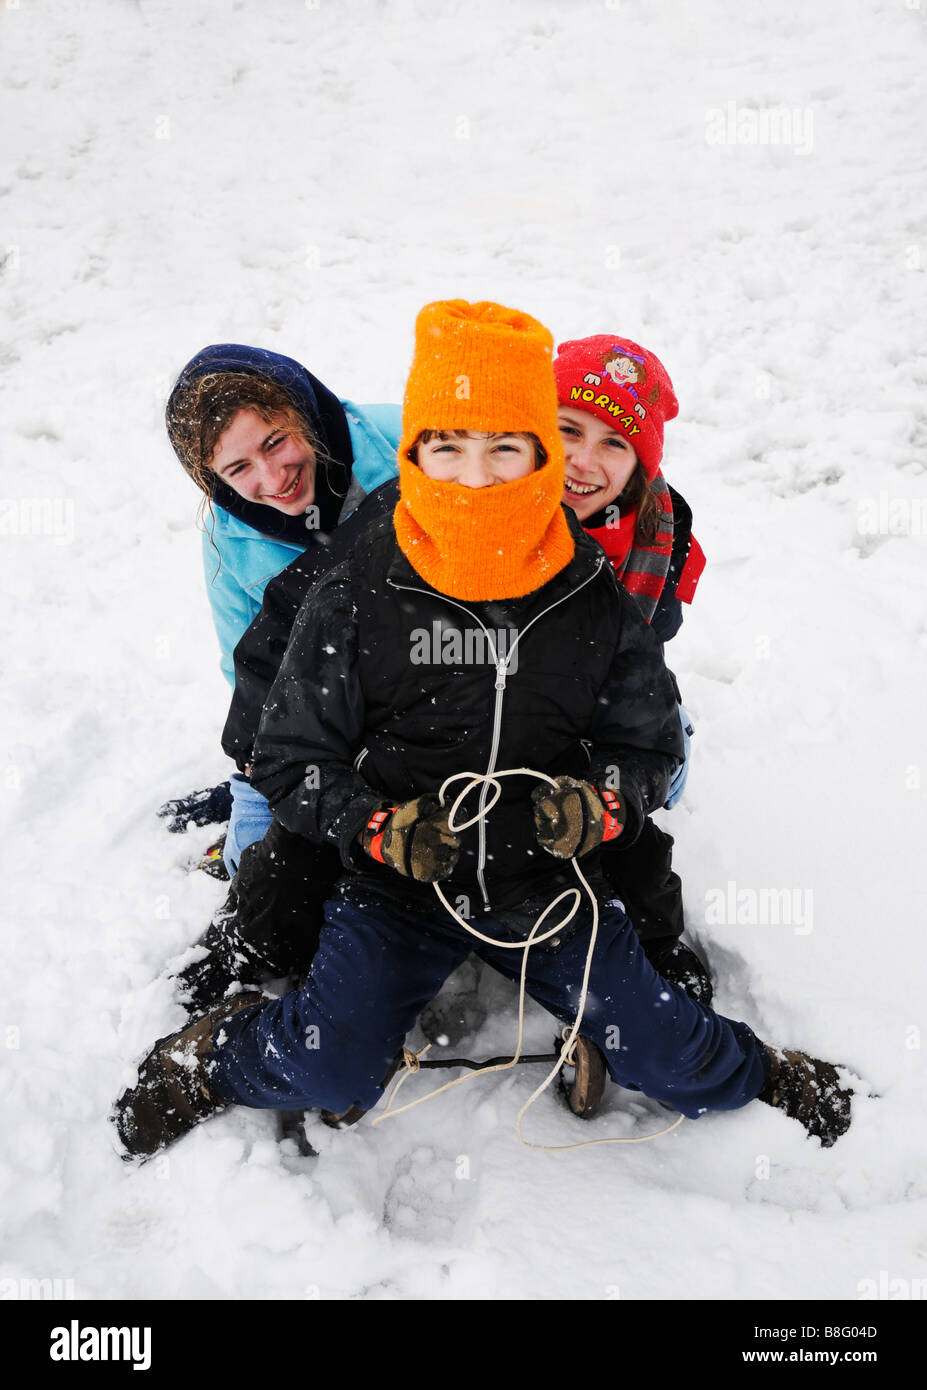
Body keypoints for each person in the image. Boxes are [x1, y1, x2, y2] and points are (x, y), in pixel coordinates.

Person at [114, 299, 853, 1161]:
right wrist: (370, 825)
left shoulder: (586, 586)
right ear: (415, 451)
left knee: (674, 1060)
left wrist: (604, 805)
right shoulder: (355, 581)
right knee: (332, 1064)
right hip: (398, 878)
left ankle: (765, 1070)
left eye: (504, 448)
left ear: (538, 456)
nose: (475, 477)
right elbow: (285, 752)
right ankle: (211, 1057)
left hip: (546, 879)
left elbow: (649, 741)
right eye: (447, 447)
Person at [161, 343, 401, 874]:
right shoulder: (229, 539)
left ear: (305, 415)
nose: (274, 480)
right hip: (336, 705)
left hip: (442, 682)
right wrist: (267, 769)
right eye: (239, 467)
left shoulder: (405, 438)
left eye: (276, 442)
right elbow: (246, 658)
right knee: (255, 864)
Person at [553, 335, 710, 1000]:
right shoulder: (488, 502)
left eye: (614, 442)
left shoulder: (657, 527)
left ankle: (651, 947)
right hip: (495, 690)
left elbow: (654, 638)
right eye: (566, 430)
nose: (582, 461)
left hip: (608, 687)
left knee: (629, 803)